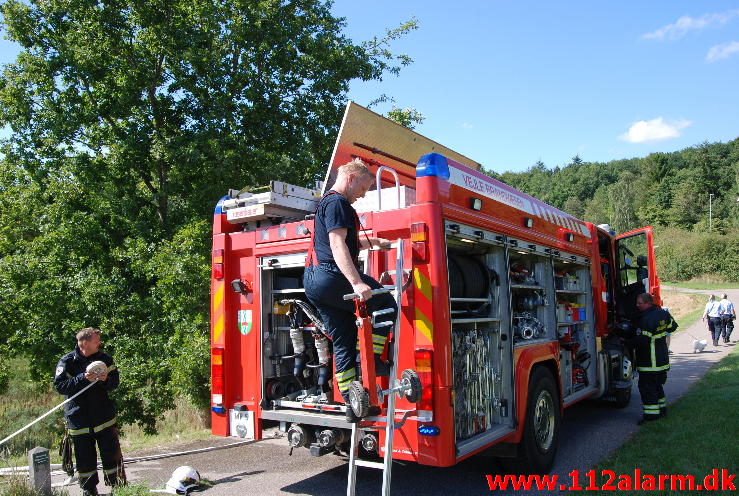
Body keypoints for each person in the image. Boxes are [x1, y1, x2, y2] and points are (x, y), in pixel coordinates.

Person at [303, 158, 397, 423]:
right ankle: (373, 359)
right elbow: (337, 244)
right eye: (363, 189)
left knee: (342, 339)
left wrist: (375, 242)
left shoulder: (328, 204)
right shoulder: (337, 202)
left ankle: (351, 402)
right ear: (352, 178)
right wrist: (357, 283)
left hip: (315, 282)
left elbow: (344, 241)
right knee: (387, 305)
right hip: (330, 277)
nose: (362, 196)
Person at [54, 328, 125, 496]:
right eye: (96, 341)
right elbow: (60, 386)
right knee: (84, 456)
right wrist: (82, 378)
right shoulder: (67, 361)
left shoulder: (104, 358)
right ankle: (89, 489)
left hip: (103, 416)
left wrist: (105, 379)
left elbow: (115, 382)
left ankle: (119, 486)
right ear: (85, 343)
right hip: (79, 419)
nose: (99, 343)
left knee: (111, 452)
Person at [628, 293, 677, 425]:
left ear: (648, 302)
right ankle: (662, 410)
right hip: (662, 359)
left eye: (640, 303)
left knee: (647, 388)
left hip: (650, 360)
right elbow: (673, 326)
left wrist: (628, 343)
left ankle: (651, 417)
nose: (637, 305)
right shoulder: (662, 313)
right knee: (657, 386)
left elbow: (643, 340)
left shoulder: (646, 319)